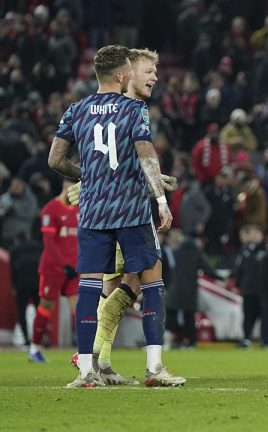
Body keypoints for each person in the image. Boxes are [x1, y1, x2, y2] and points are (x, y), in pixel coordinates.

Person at [48, 45, 177, 388]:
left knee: (89, 289)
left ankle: (88, 370)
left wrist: (85, 175)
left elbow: (55, 160)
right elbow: (145, 153)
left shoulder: (77, 109)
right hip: (132, 210)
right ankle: (153, 369)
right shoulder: (134, 109)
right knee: (152, 282)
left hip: (92, 212)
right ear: (122, 75)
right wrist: (161, 199)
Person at [27, 179, 78, 363]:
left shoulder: (81, 209)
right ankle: (34, 349)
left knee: (79, 308)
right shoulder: (50, 210)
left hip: (75, 269)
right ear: (65, 187)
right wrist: (63, 265)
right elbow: (48, 243)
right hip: (53, 268)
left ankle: (84, 353)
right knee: (45, 308)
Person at [234, 225, 268, 348]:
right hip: (248, 289)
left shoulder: (267, 250)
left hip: (263, 291)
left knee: (265, 317)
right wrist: (238, 285)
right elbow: (239, 269)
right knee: (248, 316)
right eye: (253, 234)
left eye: (257, 234)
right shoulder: (245, 250)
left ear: (262, 236)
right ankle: (246, 339)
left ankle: (265, 340)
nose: (254, 237)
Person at [10, 232, 42, 348]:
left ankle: (26, 340)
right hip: (37, 284)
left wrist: (14, 286)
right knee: (40, 312)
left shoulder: (15, 250)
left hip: (21, 285)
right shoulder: (38, 247)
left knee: (22, 312)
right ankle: (39, 338)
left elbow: (13, 270)